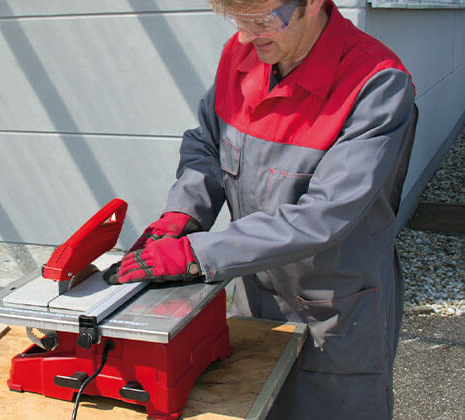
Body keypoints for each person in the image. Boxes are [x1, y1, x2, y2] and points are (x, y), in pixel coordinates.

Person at [106, 0, 417, 418]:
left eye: (261, 20)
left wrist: (198, 254)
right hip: (254, 299)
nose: (245, 36)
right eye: (237, 19)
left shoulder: (376, 84)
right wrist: (183, 213)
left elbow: (324, 215)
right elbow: (207, 145)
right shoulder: (243, 56)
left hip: (335, 315)